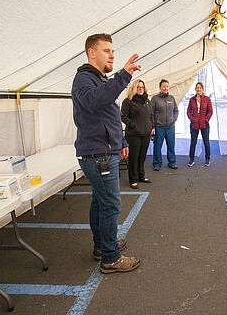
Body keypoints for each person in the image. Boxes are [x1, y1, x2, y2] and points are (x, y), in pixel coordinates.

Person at [72, 33, 141, 274]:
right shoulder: (84, 79)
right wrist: (123, 76)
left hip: (105, 150)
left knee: (100, 203)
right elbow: (94, 102)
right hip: (98, 155)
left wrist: (120, 140)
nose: (112, 54)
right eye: (106, 50)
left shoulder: (100, 80)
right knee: (110, 205)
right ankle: (111, 257)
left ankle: (102, 246)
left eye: (113, 50)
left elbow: (108, 115)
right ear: (92, 52)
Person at [121, 79, 153, 189]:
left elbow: (150, 115)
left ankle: (141, 176)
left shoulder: (147, 101)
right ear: (134, 88)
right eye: (138, 87)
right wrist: (133, 125)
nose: (140, 89)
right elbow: (123, 117)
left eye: (142, 87)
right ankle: (133, 179)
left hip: (146, 134)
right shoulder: (128, 101)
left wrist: (151, 126)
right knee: (133, 158)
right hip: (133, 134)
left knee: (142, 157)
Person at [151, 79, 179, 170]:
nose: (165, 88)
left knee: (171, 145)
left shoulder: (171, 98)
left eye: (167, 86)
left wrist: (174, 119)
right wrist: (153, 126)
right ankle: (157, 164)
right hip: (159, 127)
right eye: (163, 86)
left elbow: (176, 111)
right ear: (160, 87)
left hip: (170, 127)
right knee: (157, 146)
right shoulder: (155, 99)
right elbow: (151, 113)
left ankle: (172, 162)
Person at [187, 82, 213, 167]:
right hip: (194, 124)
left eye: (200, 87)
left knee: (206, 142)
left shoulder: (207, 99)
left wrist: (206, 119)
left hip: (204, 124)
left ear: (202, 89)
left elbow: (210, 111)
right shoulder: (192, 99)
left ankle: (207, 159)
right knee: (193, 142)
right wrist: (192, 119)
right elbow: (188, 111)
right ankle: (191, 159)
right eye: (197, 87)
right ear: (195, 89)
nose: (199, 89)